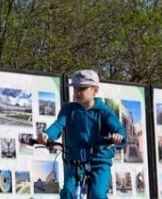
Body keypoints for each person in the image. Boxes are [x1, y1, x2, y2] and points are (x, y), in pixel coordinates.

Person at [38, 69, 125, 199]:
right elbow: (58, 125)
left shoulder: (103, 111)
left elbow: (119, 129)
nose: (77, 92)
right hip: (75, 160)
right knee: (67, 192)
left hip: (99, 160)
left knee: (98, 195)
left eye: (82, 88)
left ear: (95, 90)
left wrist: (117, 136)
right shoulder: (69, 110)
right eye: (75, 88)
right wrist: (47, 135)